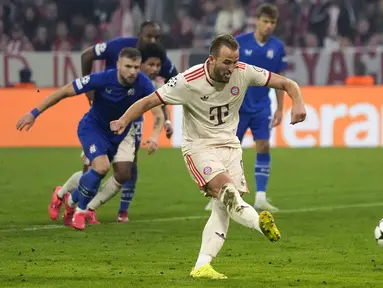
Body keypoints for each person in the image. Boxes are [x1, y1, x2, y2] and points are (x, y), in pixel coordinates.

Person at [110, 34, 306, 279]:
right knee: (228, 192)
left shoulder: (243, 72)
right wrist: (123, 120)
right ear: (212, 59)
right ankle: (260, 224)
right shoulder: (187, 81)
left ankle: (202, 266)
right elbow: (148, 101)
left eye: (235, 61)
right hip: (199, 147)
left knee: (222, 209)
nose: (232, 68)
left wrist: (297, 102)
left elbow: (288, 84)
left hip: (230, 147)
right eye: (226, 63)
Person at [17, 48, 163, 230]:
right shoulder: (101, 79)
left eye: (135, 67)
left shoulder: (143, 83)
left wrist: (156, 135)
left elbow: (158, 113)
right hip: (93, 129)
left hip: (118, 134)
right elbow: (64, 91)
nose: (132, 71)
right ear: (118, 65)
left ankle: (71, 203)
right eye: (128, 66)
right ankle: (77, 207)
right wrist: (33, 113)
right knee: (99, 168)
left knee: (115, 173)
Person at [53, 21, 177, 222]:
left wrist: (166, 122)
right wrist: (89, 90)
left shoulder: (155, 65)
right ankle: (63, 196)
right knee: (94, 171)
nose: (152, 41)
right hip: (103, 119)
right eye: (149, 36)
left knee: (126, 170)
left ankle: (92, 209)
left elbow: (168, 92)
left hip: (129, 123)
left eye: (156, 38)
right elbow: (87, 55)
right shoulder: (118, 47)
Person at [206, 4, 287, 212]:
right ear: (257, 20)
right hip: (237, 107)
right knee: (229, 151)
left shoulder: (277, 47)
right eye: (266, 21)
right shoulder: (240, 42)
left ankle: (260, 197)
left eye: (273, 22)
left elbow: (279, 79)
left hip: (262, 106)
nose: (269, 26)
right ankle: (218, 193)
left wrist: (280, 108)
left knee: (264, 147)